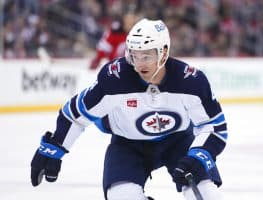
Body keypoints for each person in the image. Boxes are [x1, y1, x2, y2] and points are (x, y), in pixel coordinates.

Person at [30, 18, 227, 200]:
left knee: (206, 193)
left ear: (164, 52)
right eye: (134, 56)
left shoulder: (191, 81)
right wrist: (54, 147)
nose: (139, 64)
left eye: (146, 56)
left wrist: (199, 156)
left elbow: (215, 126)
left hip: (178, 142)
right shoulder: (114, 79)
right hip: (128, 146)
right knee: (122, 196)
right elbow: (76, 113)